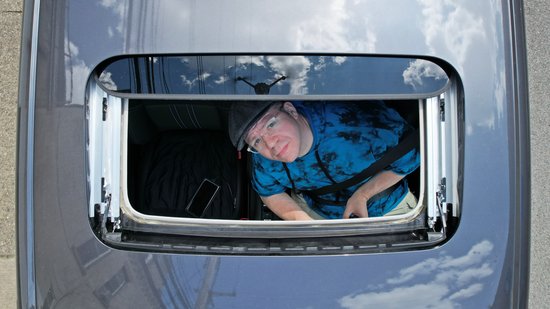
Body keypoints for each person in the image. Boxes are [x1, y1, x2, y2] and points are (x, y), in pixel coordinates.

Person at [228, 100, 420, 220]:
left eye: (271, 124)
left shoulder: (360, 122)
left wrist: (362, 195)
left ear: (291, 110)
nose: (270, 144)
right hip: (317, 212)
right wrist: (303, 224)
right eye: (257, 140)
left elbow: (410, 157)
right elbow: (268, 191)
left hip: (388, 206)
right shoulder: (263, 157)